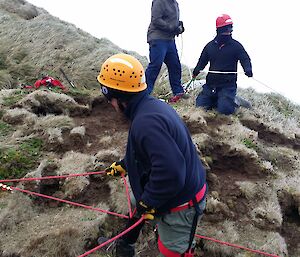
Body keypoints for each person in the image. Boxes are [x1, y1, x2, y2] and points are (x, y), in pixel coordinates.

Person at [97, 53, 207, 257]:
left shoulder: (146, 122)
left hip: (182, 203)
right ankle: (125, 247)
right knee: (135, 203)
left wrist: (149, 201)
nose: (111, 106)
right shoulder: (149, 108)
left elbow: (171, 172)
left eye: (110, 100)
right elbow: (146, 151)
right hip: (169, 192)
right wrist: (125, 164)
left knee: (172, 252)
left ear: (119, 98)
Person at [192, 14, 253, 115]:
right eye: (226, 28)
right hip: (210, 85)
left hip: (227, 86)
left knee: (225, 111)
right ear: (219, 30)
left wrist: (248, 68)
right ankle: (218, 100)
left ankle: (235, 100)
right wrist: (197, 70)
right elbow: (202, 60)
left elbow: (245, 58)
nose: (229, 31)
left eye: (230, 28)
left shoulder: (236, 46)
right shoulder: (210, 46)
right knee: (200, 107)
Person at [145, 0, 187, 103]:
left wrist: (180, 27)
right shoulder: (159, 1)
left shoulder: (175, 3)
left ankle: (178, 93)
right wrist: (172, 27)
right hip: (157, 38)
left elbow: (173, 21)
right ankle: (144, 93)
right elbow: (156, 20)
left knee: (175, 65)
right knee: (156, 65)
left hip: (170, 40)